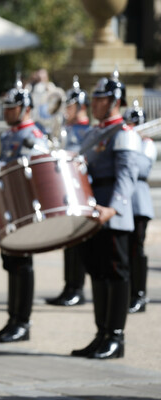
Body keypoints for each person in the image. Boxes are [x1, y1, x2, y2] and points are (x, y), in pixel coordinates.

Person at [0, 78, 48, 343]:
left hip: (23, 204)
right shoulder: (7, 135)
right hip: (6, 203)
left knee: (22, 264)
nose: (6, 111)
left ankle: (22, 322)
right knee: (12, 263)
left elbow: (29, 166)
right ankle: (12, 318)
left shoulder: (33, 135)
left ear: (25, 108)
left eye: (11, 107)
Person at [71, 71, 140, 359]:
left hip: (111, 213)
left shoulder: (123, 133)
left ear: (114, 101)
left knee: (115, 273)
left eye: (99, 99)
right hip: (93, 210)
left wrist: (113, 208)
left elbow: (127, 175)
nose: (94, 103)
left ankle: (116, 337)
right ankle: (101, 334)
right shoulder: (94, 132)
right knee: (97, 272)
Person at [46, 76, 91, 307]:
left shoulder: (87, 131)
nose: (66, 110)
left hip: (79, 191)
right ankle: (69, 286)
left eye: (70, 106)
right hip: (65, 190)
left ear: (81, 107)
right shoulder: (67, 128)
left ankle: (77, 288)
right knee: (68, 243)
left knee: (78, 243)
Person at [123, 100, 156, 313]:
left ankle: (140, 295)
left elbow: (142, 168)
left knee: (138, 250)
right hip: (126, 202)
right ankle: (127, 294)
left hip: (139, 203)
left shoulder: (147, 144)